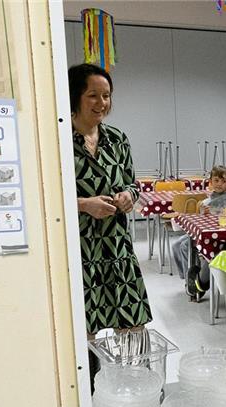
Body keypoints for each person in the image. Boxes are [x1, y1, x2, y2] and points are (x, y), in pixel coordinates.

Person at [70, 63, 152, 337]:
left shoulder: (117, 139)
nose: (102, 103)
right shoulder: (58, 139)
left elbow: (132, 182)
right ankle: (91, 381)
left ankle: (135, 380)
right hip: (81, 250)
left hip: (117, 247)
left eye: (106, 96)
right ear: (75, 96)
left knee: (132, 326)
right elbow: (47, 198)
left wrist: (130, 195)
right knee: (84, 330)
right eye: (93, 95)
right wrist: (84, 204)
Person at [172, 165, 226, 298]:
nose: (220, 184)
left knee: (185, 246)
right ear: (210, 182)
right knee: (178, 244)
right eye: (216, 181)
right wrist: (203, 212)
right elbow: (201, 219)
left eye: (223, 181)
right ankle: (190, 278)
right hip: (207, 232)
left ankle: (198, 281)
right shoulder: (207, 200)